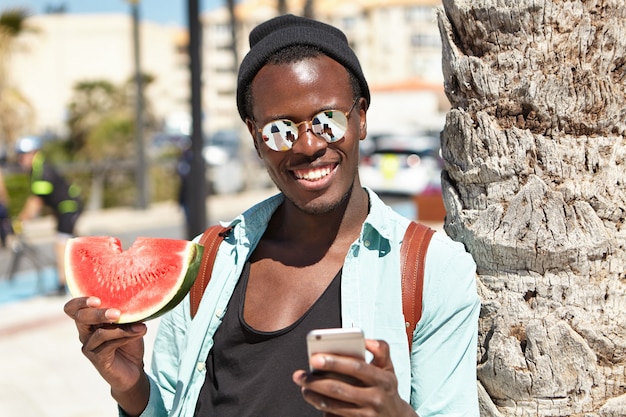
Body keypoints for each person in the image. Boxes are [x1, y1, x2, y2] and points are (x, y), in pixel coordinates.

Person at [64, 14, 480, 417]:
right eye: (279, 129)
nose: (307, 145)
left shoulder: (431, 272)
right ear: (254, 136)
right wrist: (131, 384)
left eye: (328, 121)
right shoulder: (208, 259)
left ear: (362, 117)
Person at [16, 136, 82, 295]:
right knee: (72, 242)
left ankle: (61, 284)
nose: (20, 159)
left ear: (33, 153)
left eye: (23, 155)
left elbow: (36, 201)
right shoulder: (37, 167)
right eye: (19, 155)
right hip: (62, 209)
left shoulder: (41, 169)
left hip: (68, 207)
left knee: (60, 243)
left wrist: (20, 220)